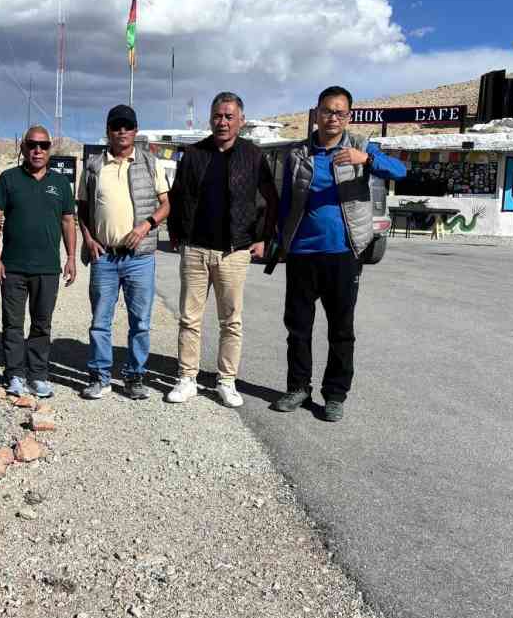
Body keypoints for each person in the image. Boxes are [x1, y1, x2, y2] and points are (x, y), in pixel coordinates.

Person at [271, 85, 406, 422]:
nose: (333, 117)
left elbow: (400, 171)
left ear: (348, 116)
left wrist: (368, 160)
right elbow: (286, 201)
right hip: (302, 253)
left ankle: (335, 395)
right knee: (298, 327)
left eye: (340, 112)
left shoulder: (360, 146)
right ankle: (299, 387)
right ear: (316, 113)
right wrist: (278, 240)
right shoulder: (299, 154)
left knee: (341, 329)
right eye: (327, 111)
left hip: (344, 253)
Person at [165, 92, 278, 408]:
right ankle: (187, 378)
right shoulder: (194, 154)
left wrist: (263, 238)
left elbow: (271, 199)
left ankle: (226, 381)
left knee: (231, 320)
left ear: (241, 120)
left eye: (229, 116)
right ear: (210, 118)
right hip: (196, 250)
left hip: (234, 252)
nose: (222, 122)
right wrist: (175, 231)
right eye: (217, 116)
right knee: (190, 318)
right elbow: (177, 195)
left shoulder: (253, 156)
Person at [76, 104, 170, 400]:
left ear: (135, 131)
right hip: (104, 257)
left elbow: (166, 204)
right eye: (116, 126)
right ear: (108, 131)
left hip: (139, 259)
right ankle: (100, 377)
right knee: (100, 321)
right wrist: (89, 239)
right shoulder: (93, 166)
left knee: (140, 322)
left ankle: (134, 377)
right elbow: (82, 209)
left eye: (127, 126)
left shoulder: (150, 163)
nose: (121, 131)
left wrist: (145, 226)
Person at [0, 125, 77, 398]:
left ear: (50, 149)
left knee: (41, 324)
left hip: (47, 269)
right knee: (13, 324)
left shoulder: (61, 184)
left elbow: (68, 221)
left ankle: (37, 375)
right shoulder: (8, 179)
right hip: (13, 266)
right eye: (32, 144)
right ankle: (14, 374)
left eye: (44, 145)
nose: (38, 150)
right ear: (23, 147)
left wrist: (71, 257)